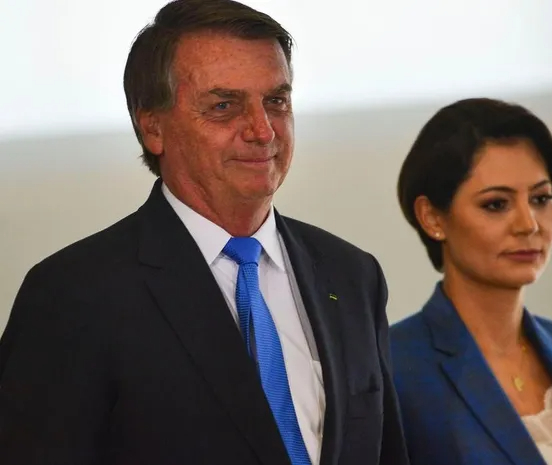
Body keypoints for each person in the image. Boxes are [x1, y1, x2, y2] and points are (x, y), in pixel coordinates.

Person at [0, 1, 409, 464]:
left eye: (276, 101)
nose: (262, 131)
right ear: (152, 127)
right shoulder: (74, 295)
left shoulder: (352, 275)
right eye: (224, 106)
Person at [389, 97, 552, 465]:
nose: (528, 224)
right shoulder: (391, 368)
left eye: (541, 198)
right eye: (496, 204)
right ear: (432, 217)